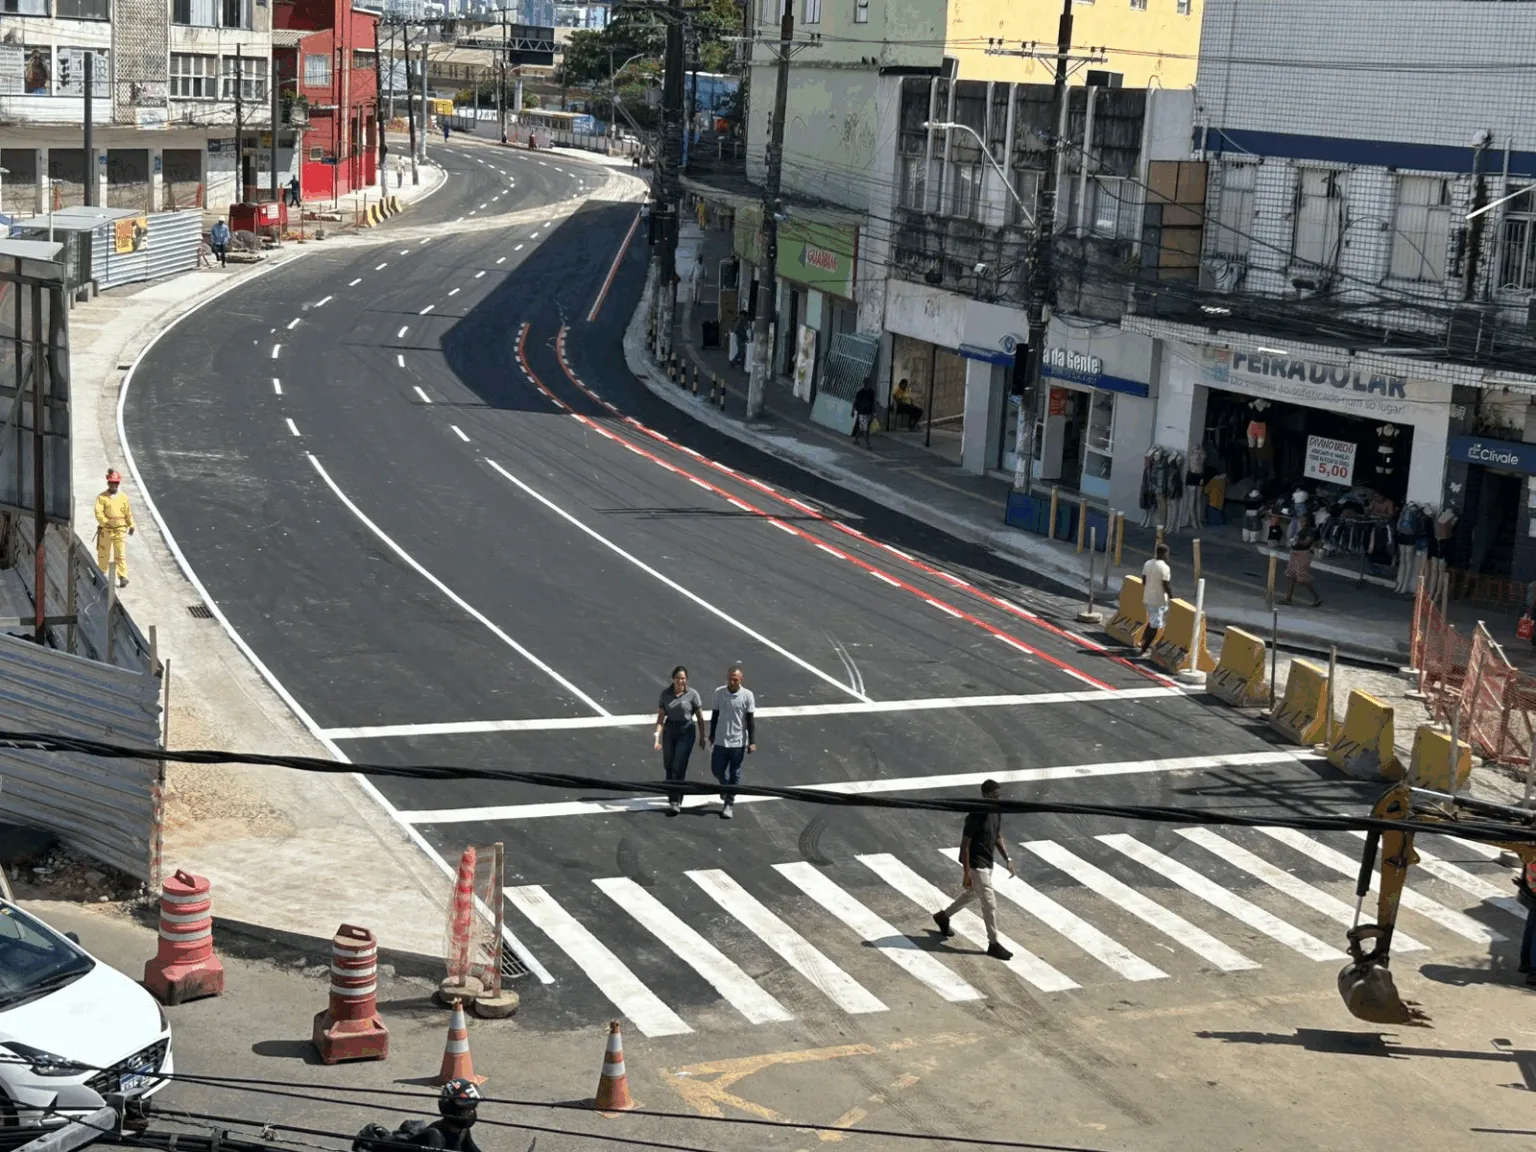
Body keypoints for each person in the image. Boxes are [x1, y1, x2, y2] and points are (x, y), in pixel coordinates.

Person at [933, 779, 1015, 961]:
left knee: (972, 894)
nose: (997, 799)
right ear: (985, 795)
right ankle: (993, 944)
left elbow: (997, 836)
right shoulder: (975, 815)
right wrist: (966, 873)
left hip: (988, 862)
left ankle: (943, 916)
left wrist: (1007, 859)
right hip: (976, 865)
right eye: (994, 796)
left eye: (998, 796)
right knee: (989, 904)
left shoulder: (996, 811)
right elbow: (965, 846)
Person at [655, 665, 706, 816]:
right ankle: (672, 793)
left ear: (686, 679)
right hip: (670, 731)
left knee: (679, 766)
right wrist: (657, 737)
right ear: (673, 679)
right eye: (678, 678)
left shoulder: (692, 694)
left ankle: (676, 800)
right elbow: (660, 718)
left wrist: (702, 737)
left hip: (686, 732)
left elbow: (700, 718)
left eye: (683, 678)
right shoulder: (665, 694)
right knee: (668, 765)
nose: (680, 681)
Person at [709, 664, 756, 819]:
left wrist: (752, 741)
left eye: (735, 679)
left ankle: (729, 803)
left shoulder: (747, 696)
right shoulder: (719, 693)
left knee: (735, 772)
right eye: (730, 679)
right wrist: (712, 734)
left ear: (741, 679)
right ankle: (725, 787)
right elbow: (715, 715)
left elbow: (750, 720)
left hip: (738, 742)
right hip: (721, 740)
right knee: (716, 769)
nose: (732, 682)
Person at [409, 1079, 483, 1152]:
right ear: (450, 1108)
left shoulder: (462, 1131)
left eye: (473, 1107)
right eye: (465, 1109)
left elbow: (472, 1149)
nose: (471, 1112)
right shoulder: (434, 1137)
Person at [94, 469, 135, 588]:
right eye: (112, 483)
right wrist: (106, 522)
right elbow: (98, 513)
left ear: (118, 484)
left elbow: (127, 512)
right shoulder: (102, 497)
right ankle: (102, 573)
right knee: (103, 553)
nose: (113, 485)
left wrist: (131, 524)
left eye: (115, 483)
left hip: (120, 529)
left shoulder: (123, 497)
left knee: (120, 553)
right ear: (108, 483)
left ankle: (123, 576)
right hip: (106, 530)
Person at [1137, 542, 1173, 655]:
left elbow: (1144, 580)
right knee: (1155, 626)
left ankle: (1142, 640)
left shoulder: (1148, 563)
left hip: (1147, 597)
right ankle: (1144, 648)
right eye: (1167, 554)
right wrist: (1171, 597)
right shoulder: (1164, 567)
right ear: (1164, 553)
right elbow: (1166, 584)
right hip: (1158, 600)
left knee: (1152, 620)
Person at [1282, 514, 1324, 607]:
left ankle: (1317, 597)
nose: (1301, 523)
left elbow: (1306, 543)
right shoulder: (1301, 530)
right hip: (1295, 554)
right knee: (1291, 575)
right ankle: (1288, 598)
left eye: (1304, 521)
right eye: (1301, 521)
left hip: (1302, 555)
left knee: (1302, 578)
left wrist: (1297, 540)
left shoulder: (1310, 531)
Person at [851, 381, 876, 448]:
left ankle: (855, 439)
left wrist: (873, 412)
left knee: (862, 427)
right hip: (862, 413)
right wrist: (852, 411)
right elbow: (855, 402)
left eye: (869, 384)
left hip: (868, 413)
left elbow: (873, 402)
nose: (868, 385)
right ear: (864, 384)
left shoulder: (871, 392)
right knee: (865, 429)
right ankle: (868, 444)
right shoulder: (860, 393)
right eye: (867, 384)